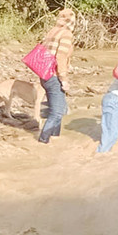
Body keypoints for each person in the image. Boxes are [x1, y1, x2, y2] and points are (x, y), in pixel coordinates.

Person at [37, 9, 76, 144]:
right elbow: (60, 56)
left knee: (56, 109)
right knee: (58, 112)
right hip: (54, 76)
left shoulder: (52, 31)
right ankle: (43, 140)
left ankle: (55, 140)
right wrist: (64, 79)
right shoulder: (66, 34)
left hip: (44, 74)